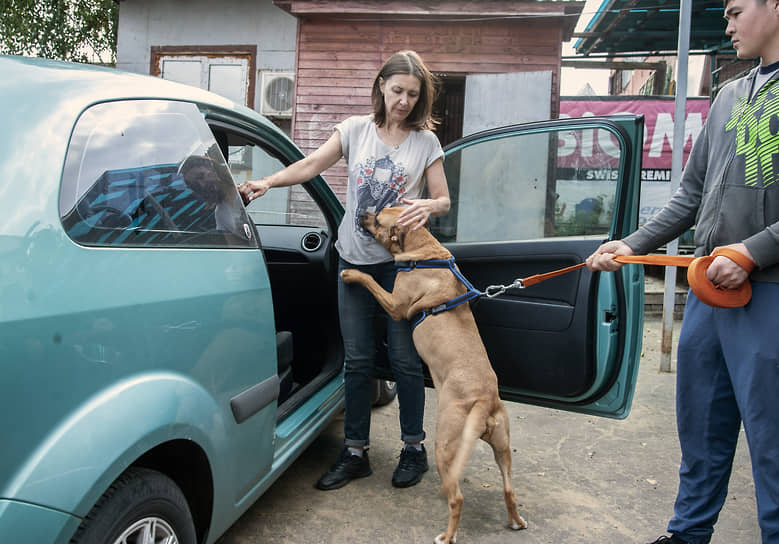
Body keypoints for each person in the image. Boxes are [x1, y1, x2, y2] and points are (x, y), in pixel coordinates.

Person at [586, 0, 779, 542]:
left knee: (772, 444)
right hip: (707, 297)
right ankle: (687, 534)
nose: (728, 22)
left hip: (769, 299)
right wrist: (630, 242)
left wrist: (752, 252)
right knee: (700, 430)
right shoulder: (728, 95)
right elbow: (690, 197)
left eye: (738, 9)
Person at [238, 50, 450, 491]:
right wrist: (267, 182)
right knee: (357, 361)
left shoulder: (425, 142)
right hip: (353, 260)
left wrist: (430, 205)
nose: (404, 101)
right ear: (381, 88)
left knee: (404, 360)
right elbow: (312, 164)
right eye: (397, 91)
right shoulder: (355, 130)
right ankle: (356, 452)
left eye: (412, 94)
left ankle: (414, 448)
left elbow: (443, 199)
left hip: (400, 269)